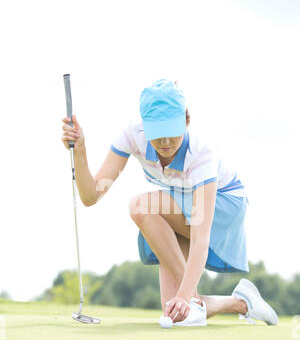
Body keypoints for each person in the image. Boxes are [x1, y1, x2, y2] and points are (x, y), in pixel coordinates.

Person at [61, 79, 278, 327]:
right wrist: (80, 150)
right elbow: (91, 196)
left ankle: (194, 301)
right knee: (173, 313)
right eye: (157, 134)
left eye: (171, 132)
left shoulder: (202, 154)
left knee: (142, 206)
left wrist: (186, 297)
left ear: (187, 120)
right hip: (182, 204)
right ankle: (243, 302)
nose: (165, 143)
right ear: (144, 126)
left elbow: (200, 238)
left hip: (224, 204)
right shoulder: (133, 136)